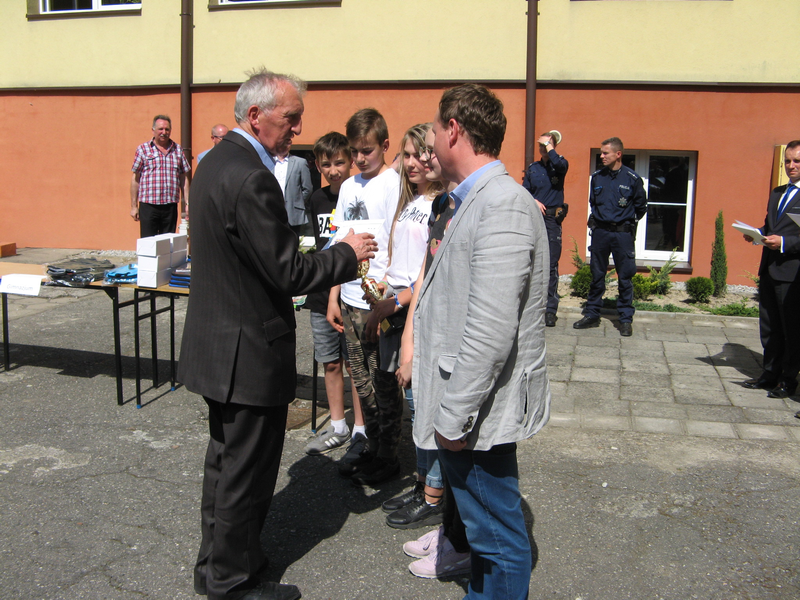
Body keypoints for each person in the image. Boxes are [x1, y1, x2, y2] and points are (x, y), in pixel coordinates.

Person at [177, 68, 377, 600]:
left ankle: (216, 565)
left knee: (226, 464)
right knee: (245, 472)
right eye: (291, 118)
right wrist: (346, 254)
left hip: (221, 344)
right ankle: (232, 582)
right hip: (246, 350)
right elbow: (288, 271)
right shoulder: (251, 176)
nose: (297, 130)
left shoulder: (215, 162)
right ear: (255, 116)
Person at [413, 83, 551, 598]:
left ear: (453, 130)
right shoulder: (472, 199)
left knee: (498, 540)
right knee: (482, 533)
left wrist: (453, 417)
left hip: (474, 409)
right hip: (464, 404)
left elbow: (491, 328)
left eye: (434, 128)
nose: (430, 140)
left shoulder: (502, 205)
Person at [395, 125, 472, 579]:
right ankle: (449, 530)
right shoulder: (442, 205)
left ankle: (459, 542)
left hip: (455, 345)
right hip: (429, 333)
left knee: (456, 444)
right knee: (428, 426)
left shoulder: (469, 203)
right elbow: (425, 274)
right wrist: (410, 338)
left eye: (428, 150)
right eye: (417, 153)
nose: (422, 160)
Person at [361, 123, 444, 528]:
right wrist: (381, 286)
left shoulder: (439, 204)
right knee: (403, 398)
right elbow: (402, 261)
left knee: (418, 403)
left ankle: (431, 490)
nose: (411, 163)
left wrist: (392, 303)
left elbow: (425, 275)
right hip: (393, 303)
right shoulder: (410, 200)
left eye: (418, 155)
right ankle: (417, 480)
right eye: (406, 156)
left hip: (409, 307)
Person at [327, 108, 405, 486]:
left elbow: (398, 244)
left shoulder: (394, 185)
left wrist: (385, 294)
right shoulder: (348, 187)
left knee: (383, 382)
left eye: (367, 150)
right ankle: (372, 445)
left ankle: (389, 455)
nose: (359, 158)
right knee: (360, 380)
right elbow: (339, 241)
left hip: (378, 303)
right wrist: (333, 295)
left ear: (385, 145)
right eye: (354, 151)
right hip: (349, 297)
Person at [303, 132, 366, 455]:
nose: (333, 170)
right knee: (330, 362)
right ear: (317, 166)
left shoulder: (359, 195)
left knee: (356, 365)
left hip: (352, 293)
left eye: (339, 162)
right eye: (326, 164)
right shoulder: (316, 199)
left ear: (350, 161)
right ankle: (338, 425)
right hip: (320, 294)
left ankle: (360, 430)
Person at [742, 141, 800, 402]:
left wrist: (785, 243)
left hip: (792, 273)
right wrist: (757, 234)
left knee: (791, 330)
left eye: (797, 161)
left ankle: (788, 380)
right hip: (769, 268)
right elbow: (770, 226)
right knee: (769, 327)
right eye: (787, 161)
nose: (791, 166)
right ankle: (769, 374)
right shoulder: (777, 193)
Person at [573, 137, 647, 337]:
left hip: (622, 233)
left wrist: (626, 222)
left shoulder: (632, 178)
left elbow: (641, 207)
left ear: (618, 154)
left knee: (625, 277)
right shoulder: (597, 177)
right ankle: (592, 314)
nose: (602, 156)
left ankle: (625, 319)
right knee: (597, 275)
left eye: (605, 153)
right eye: (601, 152)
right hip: (601, 233)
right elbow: (593, 203)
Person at [522, 130, 569, 327]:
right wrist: (533, 201)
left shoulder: (560, 164)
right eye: (541, 145)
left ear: (554, 146)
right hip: (535, 217)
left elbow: (559, 164)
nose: (543, 148)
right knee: (531, 262)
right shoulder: (534, 168)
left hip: (551, 220)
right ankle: (533, 307)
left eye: (547, 145)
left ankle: (550, 309)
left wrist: (550, 146)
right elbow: (524, 191)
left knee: (550, 265)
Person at [130, 115, 191, 237]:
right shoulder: (143, 149)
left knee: (168, 242)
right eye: (160, 129)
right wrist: (134, 206)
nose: (164, 132)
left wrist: (188, 204)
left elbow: (184, 179)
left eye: (167, 129)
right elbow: (135, 179)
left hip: (170, 206)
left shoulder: (177, 150)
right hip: (148, 205)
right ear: (153, 130)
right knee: (148, 242)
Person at [273, 143, 313, 236]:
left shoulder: (300, 162)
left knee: (292, 241)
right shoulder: (268, 162)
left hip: (293, 213)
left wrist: (297, 202)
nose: (285, 145)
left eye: (287, 143)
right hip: (273, 211)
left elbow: (308, 188)